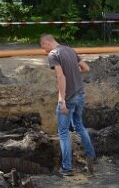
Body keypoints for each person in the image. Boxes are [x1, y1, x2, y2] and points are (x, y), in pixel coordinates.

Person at [39, 34, 95, 176]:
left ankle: (67, 168)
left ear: (47, 42)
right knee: (79, 125)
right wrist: (75, 71)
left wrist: (62, 100)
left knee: (63, 133)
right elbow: (86, 68)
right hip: (80, 94)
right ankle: (91, 156)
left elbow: (60, 77)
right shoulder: (70, 50)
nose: (44, 50)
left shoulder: (53, 54)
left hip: (68, 98)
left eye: (43, 46)